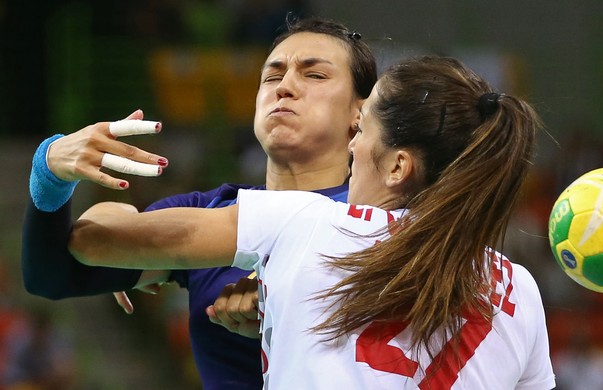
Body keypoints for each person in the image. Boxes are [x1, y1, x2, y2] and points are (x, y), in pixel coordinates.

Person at [68, 56, 556, 389]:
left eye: (361, 131)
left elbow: (93, 246)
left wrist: (54, 169)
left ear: (398, 167)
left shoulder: (304, 221)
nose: (351, 145)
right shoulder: (520, 290)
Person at [21, 17, 377, 390]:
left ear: (361, 112)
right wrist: (50, 173)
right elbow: (52, 275)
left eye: (315, 75)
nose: (284, 87)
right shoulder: (210, 211)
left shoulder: (390, 221)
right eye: (271, 77)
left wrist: (290, 307)